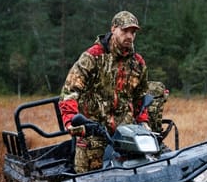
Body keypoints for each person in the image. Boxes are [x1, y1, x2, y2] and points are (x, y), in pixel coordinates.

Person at [59, 10, 151, 173]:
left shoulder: (137, 63)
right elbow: (70, 90)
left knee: (142, 174)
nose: (129, 36)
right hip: (93, 130)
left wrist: (143, 121)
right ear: (113, 29)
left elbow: (140, 97)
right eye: (125, 31)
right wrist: (71, 120)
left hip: (125, 132)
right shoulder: (93, 57)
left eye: (133, 32)